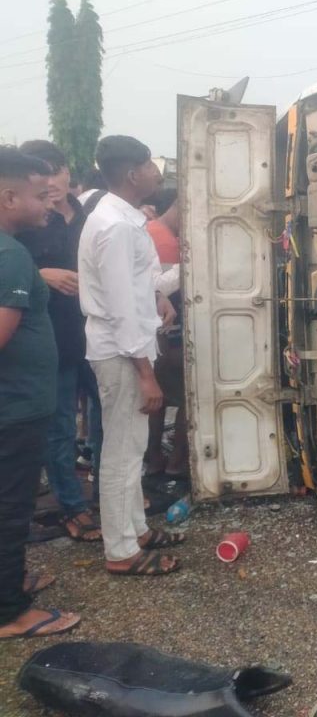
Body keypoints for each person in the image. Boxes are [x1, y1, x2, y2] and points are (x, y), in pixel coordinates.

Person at [78, 136, 185, 577]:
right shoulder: (118, 226)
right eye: (149, 164)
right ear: (132, 174)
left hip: (124, 349)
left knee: (133, 446)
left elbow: (135, 285)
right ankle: (122, 551)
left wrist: (158, 293)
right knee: (122, 453)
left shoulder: (121, 218)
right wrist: (147, 373)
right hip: (122, 355)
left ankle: (136, 529)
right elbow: (122, 309)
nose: (156, 172)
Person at [0, 147, 81, 638]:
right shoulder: (11, 255)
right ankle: (10, 612)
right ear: (9, 197)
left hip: (13, 404)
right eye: (37, 195)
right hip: (15, 410)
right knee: (12, 508)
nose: (47, 205)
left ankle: (7, 581)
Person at [15, 140, 101, 543]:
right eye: (41, 174)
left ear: (69, 172)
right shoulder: (26, 222)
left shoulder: (91, 216)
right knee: (61, 426)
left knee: (106, 419)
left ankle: (105, 494)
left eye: (56, 170)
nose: (50, 182)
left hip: (98, 332)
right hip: (55, 338)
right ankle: (72, 504)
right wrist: (42, 274)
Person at [143, 188, 188, 479]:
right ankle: (177, 464)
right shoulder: (165, 241)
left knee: (157, 404)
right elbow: (159, 287)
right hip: (170, 337)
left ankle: (154, 458)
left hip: (156, 339)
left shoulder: (150, 230)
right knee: (188, 398)